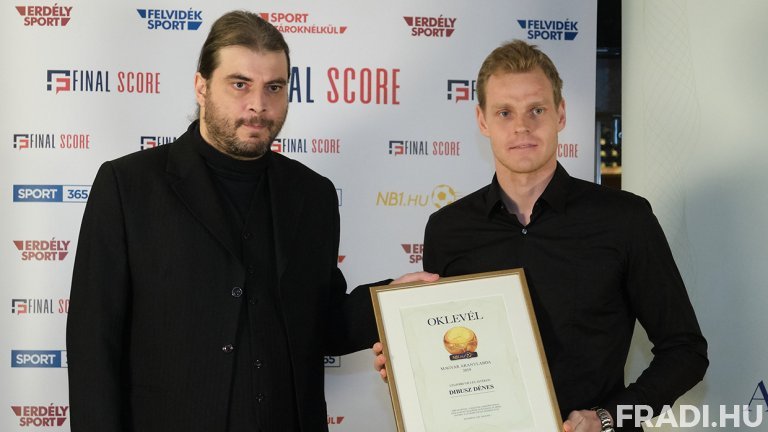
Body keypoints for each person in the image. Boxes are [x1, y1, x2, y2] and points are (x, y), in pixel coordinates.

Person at [66, 10, 435, 432]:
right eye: (239, 84)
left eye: (274, 87)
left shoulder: (312, 194)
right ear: (201, 87)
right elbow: (93, 342)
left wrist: (391, 301)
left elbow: (322, 322)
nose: (258, 105)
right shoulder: (128, 185)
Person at [373, 40, 707, 432]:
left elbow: (685, 351)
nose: (522, 126)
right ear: (482, 120)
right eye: (505, 112)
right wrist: (409, 364)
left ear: (560, 114)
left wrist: (609, 417)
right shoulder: (448, 229)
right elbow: (452, 350)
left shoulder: (624, 219)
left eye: (536, 110)